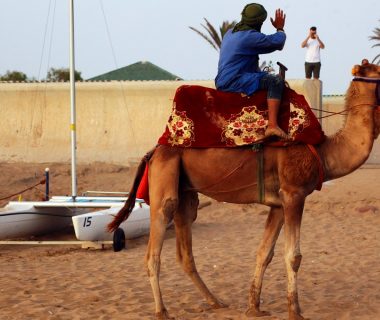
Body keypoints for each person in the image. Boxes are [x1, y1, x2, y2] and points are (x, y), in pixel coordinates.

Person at [215, 3, 288, 139]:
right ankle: (272, 126)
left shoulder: (230, 33)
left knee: (266, 76)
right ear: (258, 22)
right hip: (235, 81)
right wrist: (280, 28)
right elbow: (278, 42)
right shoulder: (249, 37)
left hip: (225, 80)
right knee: (276, 81)